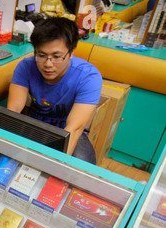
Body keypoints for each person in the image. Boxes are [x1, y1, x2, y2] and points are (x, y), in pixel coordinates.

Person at [7, 17, 102, 164]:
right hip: (34, 126)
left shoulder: (88, 77)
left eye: (57, 57)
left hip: (66, 131)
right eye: (41, 55)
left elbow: (74, 128)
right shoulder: (26, 66)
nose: (48, 64)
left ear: (71, 52)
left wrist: (54, 166)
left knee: (81, 166)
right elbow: (13, 110)